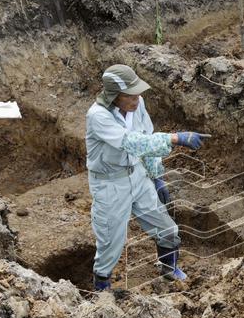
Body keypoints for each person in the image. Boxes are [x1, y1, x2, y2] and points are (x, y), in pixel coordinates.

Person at [86, 64, 207, 291]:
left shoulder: (137, 104)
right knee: (111, 242)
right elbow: (132, 142)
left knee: (167, 229)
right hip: (110, 183)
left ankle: (168, 268)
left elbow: (146, 136)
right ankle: (102, 288)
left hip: (138, 175)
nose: (137, 98)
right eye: (131, 95)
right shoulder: (98, 116)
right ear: (115, 96)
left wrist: (156, 177)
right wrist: (175, 138)